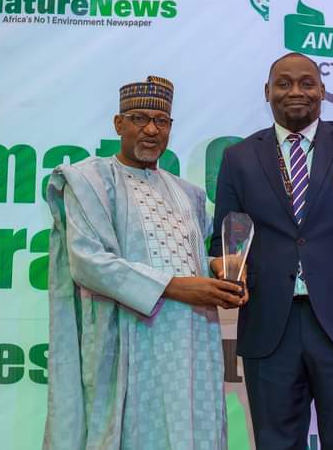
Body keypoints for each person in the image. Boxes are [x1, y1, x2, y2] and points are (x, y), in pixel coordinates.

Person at [209, 53, 333, 450]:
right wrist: (226, 265)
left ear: (322, 90)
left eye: (306, 83)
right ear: (267, 92)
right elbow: (225, 239)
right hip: (269, 327)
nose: (296, 91)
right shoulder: (239, 158)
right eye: (284, 83)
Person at [43, 76, 245, 450]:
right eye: (139, 118)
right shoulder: (90, 180)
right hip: (129, 335)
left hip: (192, 340)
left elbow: (188, 259)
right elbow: (88, 262)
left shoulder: (188, 193)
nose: (151, 130)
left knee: (192, 433)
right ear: (119, 124)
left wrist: (216, 267)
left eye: (161, 121)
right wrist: (174, 287)